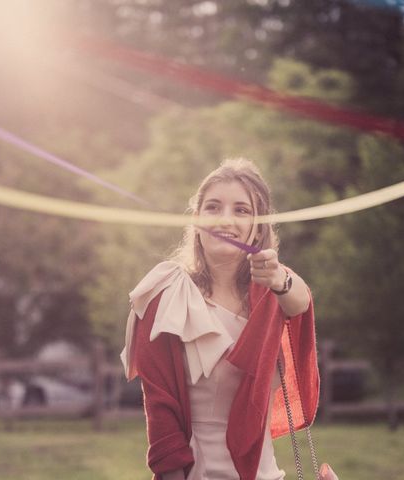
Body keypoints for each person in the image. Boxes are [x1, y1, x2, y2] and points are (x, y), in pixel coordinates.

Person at [121, 158, 336, 480]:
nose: (225, 219)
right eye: (212, 207)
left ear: (258, 226)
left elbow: (301, 301)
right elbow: (159, 408)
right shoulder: (167, 294)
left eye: (241, 210)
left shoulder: (273, 289)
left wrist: (280, 281)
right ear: (196, 219)